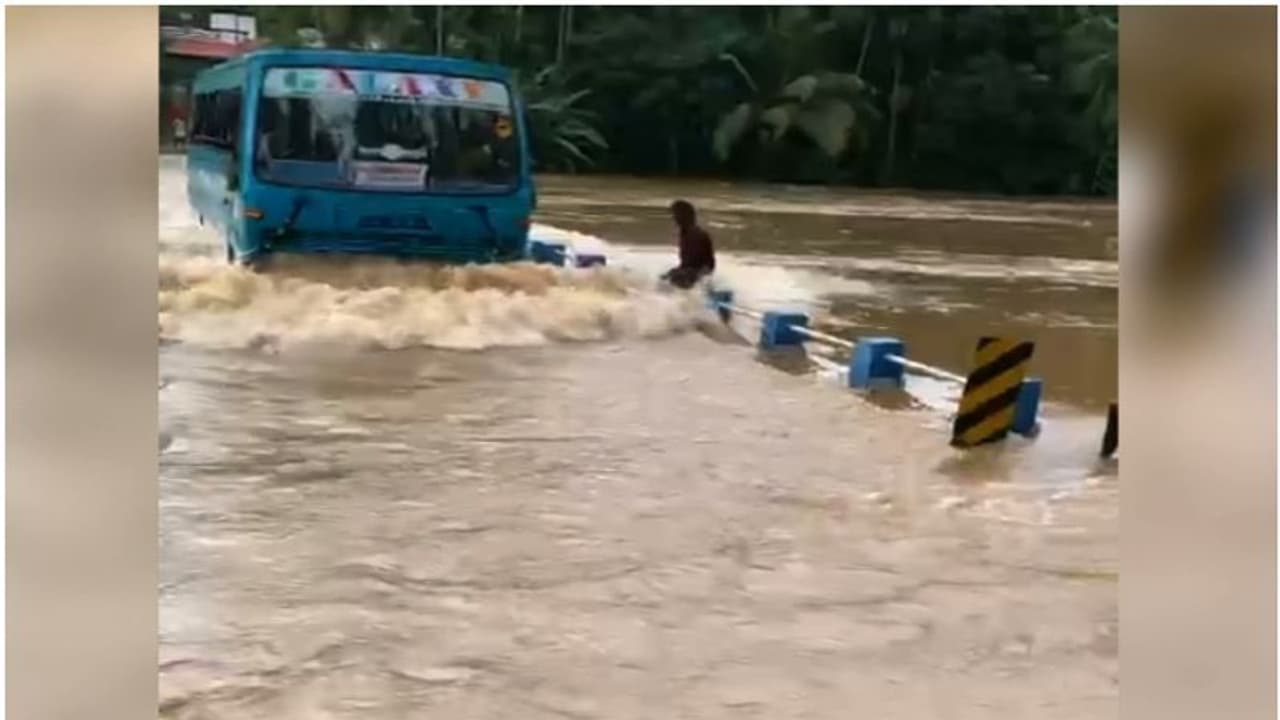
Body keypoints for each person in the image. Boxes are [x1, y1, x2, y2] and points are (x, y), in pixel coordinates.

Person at [661, 199, 716, 289]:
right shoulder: (685, 233)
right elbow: (687, 262)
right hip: (690, 272)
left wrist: (697, 277)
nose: (674, 218)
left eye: (676, 215)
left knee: (670, 279)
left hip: (697, 274)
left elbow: (708, 264)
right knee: (665, 278)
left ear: (685, 216)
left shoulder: (695, 234)